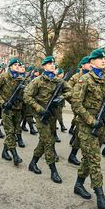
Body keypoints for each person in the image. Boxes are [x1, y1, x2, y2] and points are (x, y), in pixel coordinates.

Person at [71, 48, 105, 209]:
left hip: (102, 124)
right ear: (92, 62)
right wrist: (90, 120)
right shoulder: (85, 79)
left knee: (89, 158)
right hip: (87, 126)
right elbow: (76, 103)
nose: (104, 61)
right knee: (95, 159)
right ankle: (100, 196)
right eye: (100, 59)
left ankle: (78, 185)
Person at [24, 56, 72, 184]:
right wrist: (39, 109)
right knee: (49, 141)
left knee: (43, 140)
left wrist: (62, 97)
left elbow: (70, 91)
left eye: (53, 63)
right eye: (49, 63)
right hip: (40, 115)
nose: (52, 65)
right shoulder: (37, 81)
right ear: (44, 66)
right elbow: (27, 96)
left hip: (52, 114)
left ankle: (33, 163)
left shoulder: (58, 81)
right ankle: (53, 171)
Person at [0, 58, 24, 166]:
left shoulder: (21, 79)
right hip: (7, 110)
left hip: (18, 109)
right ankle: (15, 156)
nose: (18, 66)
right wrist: (2, 102)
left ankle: (5, 151)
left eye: (19, 65)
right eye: (15, 65)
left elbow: (26, 93)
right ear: (10, 67)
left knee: (13, 132)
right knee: (9, 132)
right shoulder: (3, 77)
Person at [68, 56, 91, 166]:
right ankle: (74, 154)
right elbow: (67, 89)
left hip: (89, 109)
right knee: (80, 132)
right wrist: (73, 103)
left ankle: (74, 153)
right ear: (82, 65)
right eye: (88, 63)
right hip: (79, 108)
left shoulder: (92, 76)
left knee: (80, 132)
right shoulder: (76, 77)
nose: (90, 64)